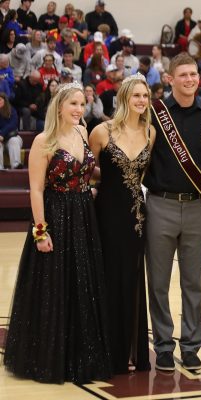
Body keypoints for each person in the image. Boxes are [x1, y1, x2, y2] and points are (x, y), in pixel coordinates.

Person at [2, 82, 112, 384]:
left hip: (83, 215)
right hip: (56, 215)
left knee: (81, 284)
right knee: (54, 286)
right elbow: (36, 190)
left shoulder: (81, 132)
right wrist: (40, 232)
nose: (79, 109)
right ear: (59, 107)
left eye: (82, 103)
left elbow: (88, 171)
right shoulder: (43, 140)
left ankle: (81, 355)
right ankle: (50, 358)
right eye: (73, 104)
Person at [143, 52, 201, 371]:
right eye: (183, 74)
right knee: (158, 282)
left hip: (198, 207)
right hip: (159, 204)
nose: (190, 79)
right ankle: (162, 345)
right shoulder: (153, 113)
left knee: (193, 282)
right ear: (170, 79)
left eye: (194, 74)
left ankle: (191, 345)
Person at [89, 73, 156, 374]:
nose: (141, 101)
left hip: (136, 217)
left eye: (145, 96)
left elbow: (143, 176)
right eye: (136, 95)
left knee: (132, 279)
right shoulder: (101, 131)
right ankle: (108, 351)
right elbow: (87, 173)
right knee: (108, 278)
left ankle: (132, 351)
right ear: (124, 98)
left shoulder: (151, 133)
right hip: (105, 213)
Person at [0, 92, 21, 169]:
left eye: (0, 100)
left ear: (5, 100)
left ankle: (16, 165)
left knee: (14, 140)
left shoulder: (12, 110)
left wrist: (2, 134)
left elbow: (13, 124)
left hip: (11, 136)